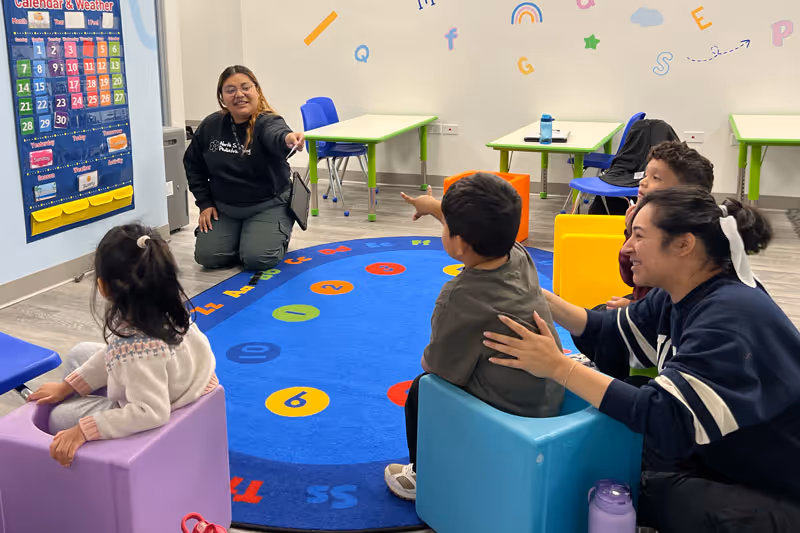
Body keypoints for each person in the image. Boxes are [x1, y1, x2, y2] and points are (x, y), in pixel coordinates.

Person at [484, 187, 800, 532]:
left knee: (633, 492)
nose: (626, 248)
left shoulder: (730, 315)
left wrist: (558, 366)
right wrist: (535, 297)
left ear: (684, 244)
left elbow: (662, 415)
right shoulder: (682, 290)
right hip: (724, 453)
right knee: (616, 455)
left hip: (778, 490)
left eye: (638, 235)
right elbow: (610, 331)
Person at [384, 173, 565, 501]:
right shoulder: (518, 253)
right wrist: (436, 208)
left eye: (445, 225)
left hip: (509, 417)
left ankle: (425, 475)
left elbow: (435, 366)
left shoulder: (459, 297)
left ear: (461, 242)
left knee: (422, 390)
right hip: (548, 396)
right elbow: (476, 229)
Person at [28, 224, 218, 468]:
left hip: (166, 402)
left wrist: (83, 430)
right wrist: (68, 387)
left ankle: (87, 458)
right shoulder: (165, 304)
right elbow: (115, 353)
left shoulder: (137, 349)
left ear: (103, 287)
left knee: (58, 418)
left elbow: (151, 412)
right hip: (187, 379)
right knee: (80, 352)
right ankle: (79, 401)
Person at [184, 65, 305, 271]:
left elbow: (276, 134)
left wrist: (288, 139)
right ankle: (243, 238)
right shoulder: (211, 125)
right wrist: (204, 203)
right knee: (207, 257)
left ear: (257, 90)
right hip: (226, 207)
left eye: (245, 87)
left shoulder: (268, 121)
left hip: (268, 203)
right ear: (222, 97)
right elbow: (193, 164)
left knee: (259, 259)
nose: (239, 94)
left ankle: (269, 233)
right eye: (230, 90)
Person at [606, 141, 715, 310]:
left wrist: (633, 307)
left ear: (684, 193)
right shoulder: (648, 222)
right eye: (646, 175)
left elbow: (676, 306)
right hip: (647, 305)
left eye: (655, 178)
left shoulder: (681, 239)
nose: (643, 182)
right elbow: (631, 277)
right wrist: (631, 233)